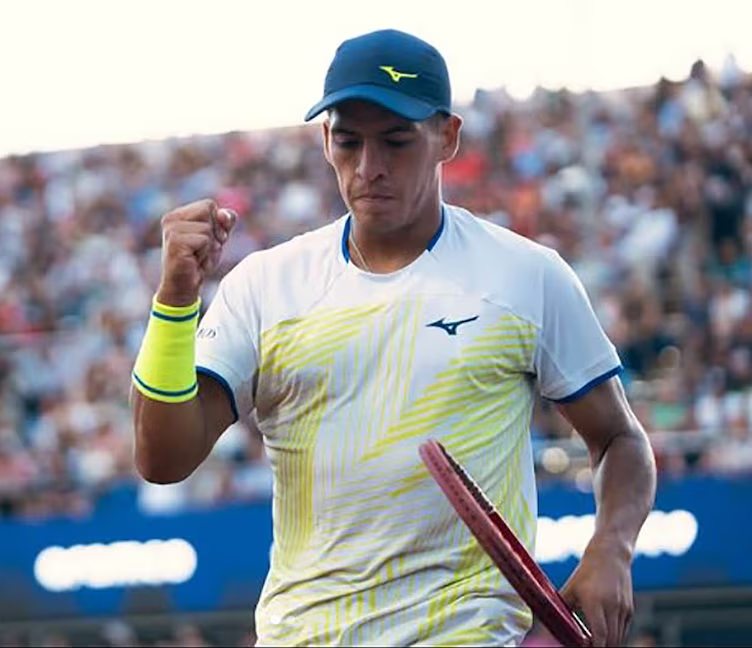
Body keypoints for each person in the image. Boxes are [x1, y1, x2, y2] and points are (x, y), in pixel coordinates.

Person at [129, 29, 657, 647]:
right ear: (325, 140)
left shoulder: (526, 275)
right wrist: (174, 304)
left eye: (396, 141)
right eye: (348, 141)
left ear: (447, 138)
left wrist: (611, 548)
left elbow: (620, 439)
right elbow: (160, 459)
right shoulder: (266, 286)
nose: (368, 167)